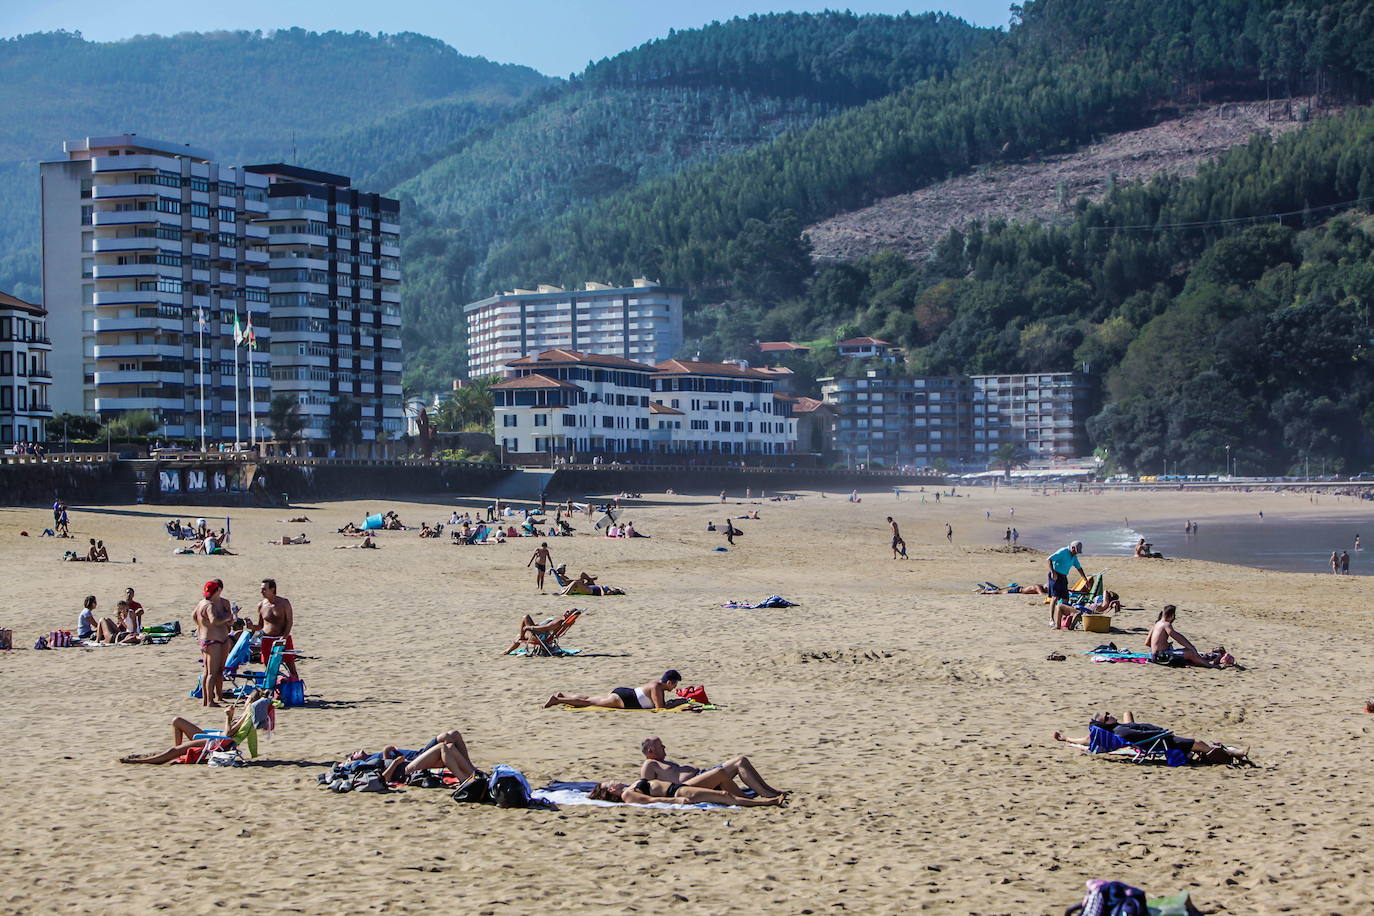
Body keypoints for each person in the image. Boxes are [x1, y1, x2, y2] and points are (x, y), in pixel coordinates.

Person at [119, 691, 270, 764]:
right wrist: (254, 754)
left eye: (247, 698)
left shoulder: (247, 715)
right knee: (177, 721)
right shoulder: (248, 714)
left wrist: (228, 716)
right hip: (216, 738)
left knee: (174, 749)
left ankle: (145, 762)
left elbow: (228, 733)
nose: (244, 700)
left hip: (219, 742)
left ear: (251, 701)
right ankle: (178, 755)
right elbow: (251, 737)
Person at [1053, 711, 1249, 765]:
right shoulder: (1122, 732)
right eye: (1106, 716)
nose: (1109, 714)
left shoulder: (1117, 730)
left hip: (1150, 740)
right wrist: (1165, 733)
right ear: (1106, 724)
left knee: (1127, 713)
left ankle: (1222, 751)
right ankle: (1234, 753)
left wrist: (1066, 739)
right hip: (1160, 742)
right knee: (1198, 743)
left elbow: (1087, 741)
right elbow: (1145, 735)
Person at [639, 736, 784, 798]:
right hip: (688, 786)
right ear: (650, 751)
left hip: (702, 775)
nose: (664, 747)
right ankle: (766, 794)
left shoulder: (662, 762)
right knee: (738, 762)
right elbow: (647, 789)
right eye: (660, 745)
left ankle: (769, 790)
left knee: (742, 760)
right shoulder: (649, 764)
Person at [545, 670, 682, 710]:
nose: (675, 687)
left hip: (625, 694)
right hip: (624, 699)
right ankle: (557, 700)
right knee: (589, 703)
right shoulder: (656, 687)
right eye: (674, 684)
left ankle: (563, 696)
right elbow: (660, 708)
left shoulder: (656, 685)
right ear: (669, 682)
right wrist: (677, 703)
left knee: (589, 698)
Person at [379, 729, 479, 783]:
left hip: (410, 761)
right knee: (442, 747)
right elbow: (384, 779)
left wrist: (387, 751)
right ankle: (463, 780)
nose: (362, 752)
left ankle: (473, 774)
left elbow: (385, 762)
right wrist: (395, 763)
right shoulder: (367, 764)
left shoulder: (374, 759)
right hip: (405, 771)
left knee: (451, 746)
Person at [588, 780, 786, 807]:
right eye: (609, 783)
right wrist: (677, 800)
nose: (613, 780)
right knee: (726, 796)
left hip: (678, 788)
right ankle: (769, 803)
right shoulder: (627, 795)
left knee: (725, 795)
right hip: (678, 791)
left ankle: (767, 802)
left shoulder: (627, 789)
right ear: (610, 790)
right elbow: (650, 799)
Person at [194, 580, 234, 706]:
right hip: (212, 640)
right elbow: (214, 621)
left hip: (219, 639)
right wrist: (227, 617)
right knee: (211, 672)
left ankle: (218, 697)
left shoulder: (219, 602)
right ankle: (209, 700)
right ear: (218, 590)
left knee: (219, 670)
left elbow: (194, 616)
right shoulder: (208, 604)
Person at [248, 578, 298, 680]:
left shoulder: (284, 603)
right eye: (261, 589)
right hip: (267, 639)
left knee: (291, 666)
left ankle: (295, 686)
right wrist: (251, 626)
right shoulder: (261, 605)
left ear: (272, 589)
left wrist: (284, 638)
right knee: (269, 669)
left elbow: (289, 622)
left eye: (264, 589)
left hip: (282, 638)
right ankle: (272, 690)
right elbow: (261, 626)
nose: (261, 592)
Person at [1145, 605, 1217, 668]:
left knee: (1184, 651)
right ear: (1171, 615)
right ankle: (1209, 665)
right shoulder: (1166, 624)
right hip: (1161, 657)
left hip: (1153, 655)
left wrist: (1162, 645)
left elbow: (1147, 643)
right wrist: (1191, 647)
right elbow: (1177, 637)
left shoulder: (1156, 624)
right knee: (1190, 653)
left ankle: (1205, 662)